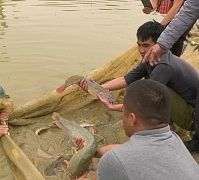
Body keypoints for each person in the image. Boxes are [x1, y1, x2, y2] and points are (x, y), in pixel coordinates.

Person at [80, 21, 199, 153]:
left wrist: (114, 107)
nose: (141, 50)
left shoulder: (164, 66)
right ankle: (169, 127)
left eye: (146, 46)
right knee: (150, 84)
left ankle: (179, 136)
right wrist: (97, 87)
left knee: (153, 91)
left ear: (160, 45)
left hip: (193, 119)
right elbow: (126, 79)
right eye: (139, 45)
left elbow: (146, 103)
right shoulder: (151, 58)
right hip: (187, 108)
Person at [143, 0, 199, 65]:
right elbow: (154, 3)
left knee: (178, 39)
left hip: (184, 13)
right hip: (180, 13)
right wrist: (149, 8)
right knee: (165, 37)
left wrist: (161, 26)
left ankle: (172, 64)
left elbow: (176, 7)